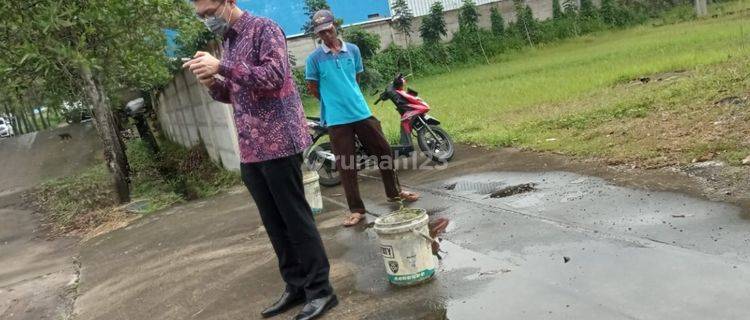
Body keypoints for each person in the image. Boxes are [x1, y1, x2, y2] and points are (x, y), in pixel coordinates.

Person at [183, 1, 337, 319]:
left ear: (228, 3)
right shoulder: (228, 41)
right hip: (251, 148)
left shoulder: (264, 29)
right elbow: (236, 92)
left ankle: (321, 291)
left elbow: (274, 77)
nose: (208, 20)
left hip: (279, 141)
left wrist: (221, 68)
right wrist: (213, 83)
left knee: (296, 220)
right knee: (274, 224)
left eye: (210, 12)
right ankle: (296, 286)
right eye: (202, 17)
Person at [305, 10, 420, 227]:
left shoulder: (353, 51)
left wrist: (348, 96)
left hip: (360, 111)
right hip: (337, 119)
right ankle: (356, 209)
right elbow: (313, 88)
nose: (326, 35)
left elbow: (355, 79)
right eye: (321, 33)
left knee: (384, 150)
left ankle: (394, 193)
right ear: (317, 34)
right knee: (347, 164)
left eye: (328, 30)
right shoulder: (314, 59)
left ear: (335, 26)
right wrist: (333, 101)